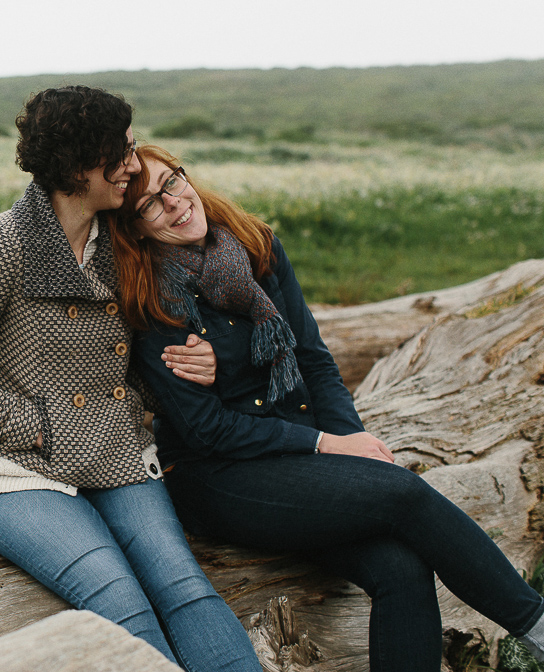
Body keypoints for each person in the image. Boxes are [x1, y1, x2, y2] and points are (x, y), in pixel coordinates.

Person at [107, 143, 544, 672]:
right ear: (135, 229)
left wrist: (348, 447)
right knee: (403, 491)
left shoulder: (255, 246)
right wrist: (325, 444)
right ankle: (536, 625)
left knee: (401, 566)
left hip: (297, 457)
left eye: (172, 181)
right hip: (217, 477)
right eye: (151, 204)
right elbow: (207, 430)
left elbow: (314, 362)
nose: (174, 202)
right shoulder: (151, 300)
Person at [0, 86, 261, 671]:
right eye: (120, 153)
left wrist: (193, 364)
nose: (134, 164)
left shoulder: (120, 242)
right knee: (119, 602)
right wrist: (43, 425)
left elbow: (136, 363)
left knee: (186, 588)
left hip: (116, 454)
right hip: (17, 471)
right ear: (78, 168)